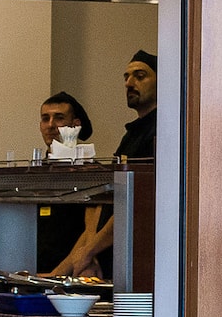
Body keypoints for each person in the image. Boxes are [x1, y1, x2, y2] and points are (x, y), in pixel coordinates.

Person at [46, 50, 158, 276]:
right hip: (103, 261)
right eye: (126, 77)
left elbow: (137, 201)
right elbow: (102, 198)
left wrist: (90, 251)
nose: (129, 83)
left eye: (139, 76)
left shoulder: (162, 130)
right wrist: (88, 250)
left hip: (136, 261)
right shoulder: (130, 136)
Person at [34, 92, 101, 274]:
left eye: (59, 118)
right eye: (45, 118)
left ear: (75, 125)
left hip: (75, 272)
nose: (51, 125)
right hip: (36, 272)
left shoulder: (92, 172)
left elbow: (91, 232)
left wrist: (57, 274)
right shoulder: (33, 173)